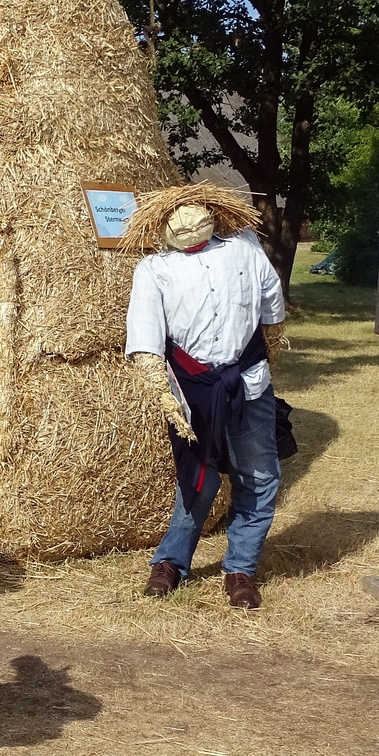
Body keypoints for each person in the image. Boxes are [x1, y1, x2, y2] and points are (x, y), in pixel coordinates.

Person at [125, 203, 285, 609]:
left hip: (247, 382)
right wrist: (163, 394)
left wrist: (266, 361)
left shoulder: (245, 247)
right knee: (199, 477)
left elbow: (272, 310)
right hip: (191, 389)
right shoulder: (154, 268)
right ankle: (171, 563)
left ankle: (240, 569)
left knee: (259, 476)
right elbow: (145, 337)